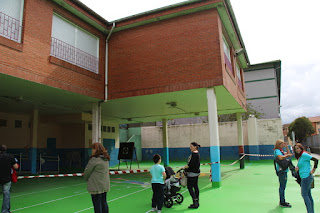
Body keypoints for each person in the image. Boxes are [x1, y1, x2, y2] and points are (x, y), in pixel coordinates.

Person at [84, 143, 110, 213]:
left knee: (97, 205)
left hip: (96, 186)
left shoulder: (94, 160)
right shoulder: (106, 159)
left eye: (93, 148)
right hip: (104, 185)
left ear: (97, 150)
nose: (92, 150)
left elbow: (87, 172)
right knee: (104, 203)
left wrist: (86, 178)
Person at [294, 143, 318, 213]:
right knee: (308, 195)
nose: (297, 150)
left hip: (306, 177)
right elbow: (303, 165)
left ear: (301, 148)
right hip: (304, 177)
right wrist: (298, 168)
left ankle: (310, 211)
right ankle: (311, 211)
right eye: (295, 149)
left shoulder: (304, 155)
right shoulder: (300, 156)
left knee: (304, 194)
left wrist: (313, 169)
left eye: (298, 148)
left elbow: (316, 160)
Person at [274, 139, 293, 208]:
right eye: (282, 144)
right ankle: (282, 201)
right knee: (282, 186)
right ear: (279, 145)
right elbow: (280, 157)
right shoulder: (277, 151)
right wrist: (286, 156)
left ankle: (282, 200)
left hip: (284, 170)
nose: (282, 145)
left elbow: (288, 154)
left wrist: (287, 147)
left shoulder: (281, 151)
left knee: (283, 186)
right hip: (281, 171)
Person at [0, 145, 19, 213]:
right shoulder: (10, 156)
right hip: (6, 178)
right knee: (6, 195)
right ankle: (5, 211)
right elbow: (16, 167)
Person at [184, 142, 201, 209]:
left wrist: (186, 169)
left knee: (190, 187)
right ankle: (196, 201)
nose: (190, 148)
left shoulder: (194, 155)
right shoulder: (197, 154)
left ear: (195, 147)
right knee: (195, 186)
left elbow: (191, 165)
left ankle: (195, 201)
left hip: (192, 173)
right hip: (196, 173)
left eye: (191, 146)